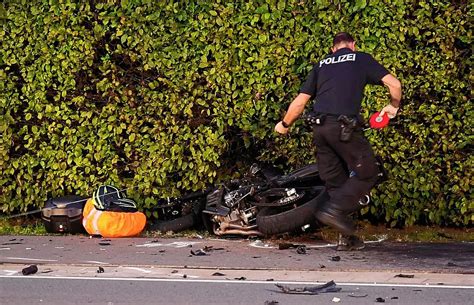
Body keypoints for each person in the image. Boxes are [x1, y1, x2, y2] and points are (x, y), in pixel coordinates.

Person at [274, 32, 402, 250]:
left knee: (337, 182)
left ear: (333, 49)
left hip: (320, 129)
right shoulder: (360, 58)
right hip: (344, 129)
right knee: (368, 172)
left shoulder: (321, 65)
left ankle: (347, 239)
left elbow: (300, 102)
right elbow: (395, 84)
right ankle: (333, 211)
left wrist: (284, 125)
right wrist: (393, 106)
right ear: (352, 45)